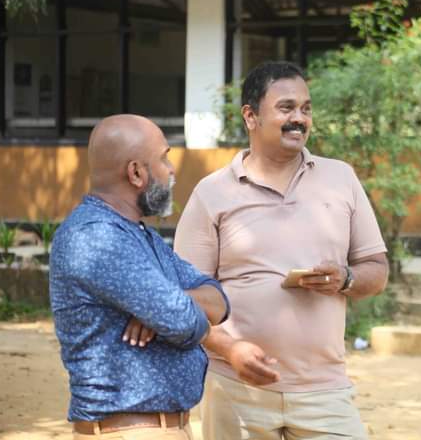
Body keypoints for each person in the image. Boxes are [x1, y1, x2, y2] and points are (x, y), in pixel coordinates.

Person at [174, 61, 389, 440]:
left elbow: (377, 269)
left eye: (306, 109)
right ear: (251, 116)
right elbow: (183, 300)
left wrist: (346, 278)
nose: (299, 119)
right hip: (235, 387)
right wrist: (231, 349)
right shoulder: (212, 192)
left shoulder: (340, 178)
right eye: (286, 108)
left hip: (324, 389)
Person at [49, 114, 230, 440]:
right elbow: (182, 321)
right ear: (136, 173)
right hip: (128, 432)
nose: (171, 171)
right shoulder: (95, 236)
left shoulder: (141, 236)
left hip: (164, 428)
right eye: (164, 159)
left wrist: (166, 304)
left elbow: (218, 299)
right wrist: (169, 309)